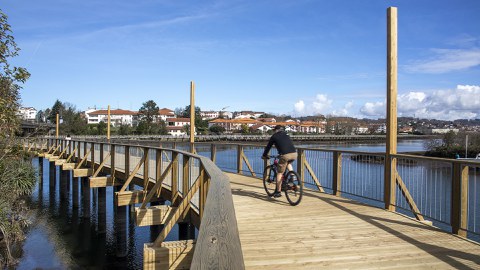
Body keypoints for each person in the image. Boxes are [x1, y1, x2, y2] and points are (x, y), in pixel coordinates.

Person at [262, 125, 297, 198]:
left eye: (274, 130)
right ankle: (292, 176)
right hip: (294, 153)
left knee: (279, 173)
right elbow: (285, 144)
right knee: (288, 162)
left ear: (276, 130)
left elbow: (268, 147)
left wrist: (264, 155)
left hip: (285, 155)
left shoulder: (274, 136)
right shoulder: (286, 134)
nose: (274, 131)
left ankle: (278, 191)